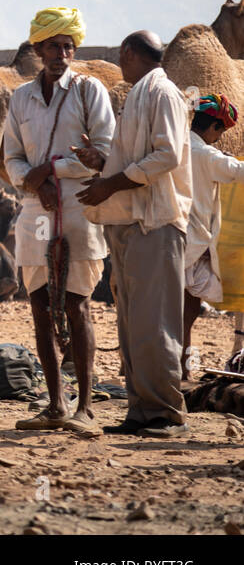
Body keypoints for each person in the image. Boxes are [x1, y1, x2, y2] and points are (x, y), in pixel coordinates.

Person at [4, 8, 115, 436]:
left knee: (77, 304)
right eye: (54, 46)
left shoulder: (90, 92)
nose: (62, 54)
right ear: (38, 49)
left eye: (69, 46)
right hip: (35, 211)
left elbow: (103, 153)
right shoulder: (20, 98)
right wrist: (31, 182)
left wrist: (51, 172)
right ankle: (55, 403)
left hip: (80, 204)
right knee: (38, 306)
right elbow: (12, 156)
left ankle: (85, 407)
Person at [78, 30, 193, 438]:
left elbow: (167, 155)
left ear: (128, 53)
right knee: (132, 323)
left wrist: (111, 183)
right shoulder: (140, 95)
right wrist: (103, 162)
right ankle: (141, 411)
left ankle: (164, 413)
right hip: (130, 224)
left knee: (155, 321)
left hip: (156, 225)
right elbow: (139, 159)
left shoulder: (162, 95)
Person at [183, 93, 244, 377]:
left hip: (171, 237)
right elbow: (238, 172)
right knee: (186, 308)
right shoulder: (206, 154)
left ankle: (178, 365)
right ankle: (178, 368)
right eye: (220, 133)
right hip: (191, 240)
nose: (218, 139)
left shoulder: (179, 145)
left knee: (186, 304)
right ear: (214, 128)